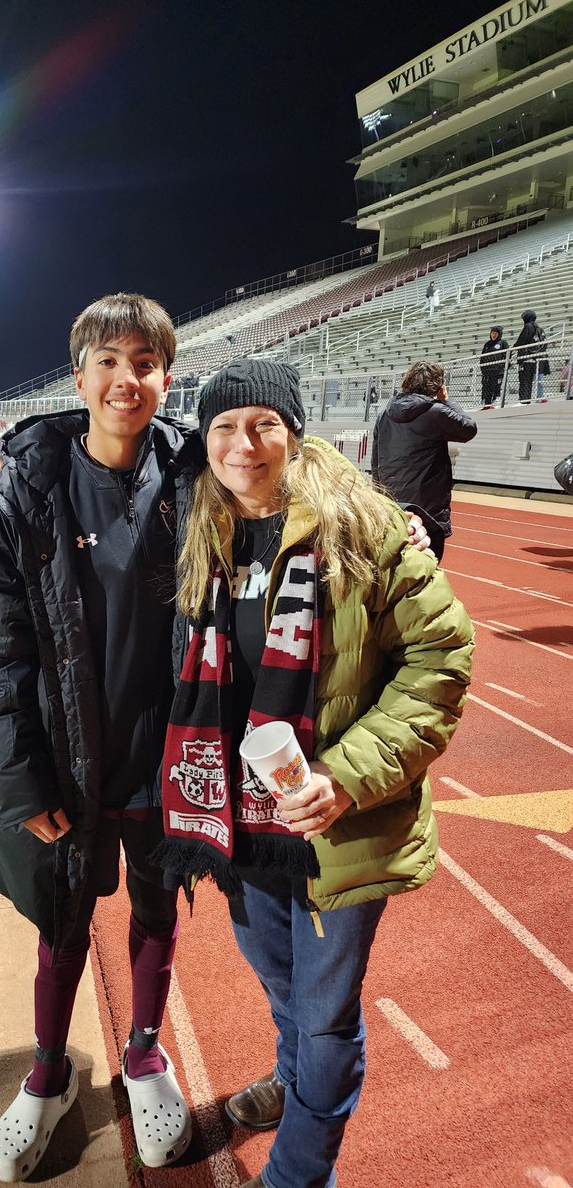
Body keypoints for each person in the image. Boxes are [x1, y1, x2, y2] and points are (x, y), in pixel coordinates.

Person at [152, 359, 474, 1188]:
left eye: (263, 423)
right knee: (282, 986)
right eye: (223, 426)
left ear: (294, 433)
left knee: (325, 1016)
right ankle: (295, 1086)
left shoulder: (363, 526)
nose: (243, 443)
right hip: (243, 823)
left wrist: (347, 776)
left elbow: (440, 657)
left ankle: (299, 1171)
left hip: (338, 823)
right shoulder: (204, 530)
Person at [0, 294, 202, 1182]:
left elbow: (290, 492)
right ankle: (49, 1072)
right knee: (63, 924)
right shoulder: (22, 493)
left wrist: (392, 523)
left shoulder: (194, 478)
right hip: (67, 762)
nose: (125, 378)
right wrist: (20, 785)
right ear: (80, 375)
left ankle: (143, 1052)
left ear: (165, 378)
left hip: (166, 756)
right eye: (108, 360)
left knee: (154, 908)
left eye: (144, 362)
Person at [371, 360, 476, 541]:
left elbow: (376, 458)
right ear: (437, 386)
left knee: (397, 555)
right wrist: (447, 400)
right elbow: (468, 429)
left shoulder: (384, 414)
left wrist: (378, 494)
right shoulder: (435, 412)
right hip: (427, 504)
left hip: (392, 498)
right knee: (426, 559)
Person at [513, 309, 546, 403]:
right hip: (535, 359)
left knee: (524, 380)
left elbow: (521, 341)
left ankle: (524, 400)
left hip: (526, 358)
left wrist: (514, 347)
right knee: (530, 381)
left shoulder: (528, 326)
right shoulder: (539, 328)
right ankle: (528, 399)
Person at [478, 325, 508, 406]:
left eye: (495, 333)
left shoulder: (503, 343)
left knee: (496, 387)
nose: (493, 335)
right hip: (487, 372)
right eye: (492, 333)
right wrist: (483, 368)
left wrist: (502, 366)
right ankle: (486, 403)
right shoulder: (487, 344)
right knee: (486, 388)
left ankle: (496, 399)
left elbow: (507, 356)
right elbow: (482, 357)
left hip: (498, 371)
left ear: (499, 334)